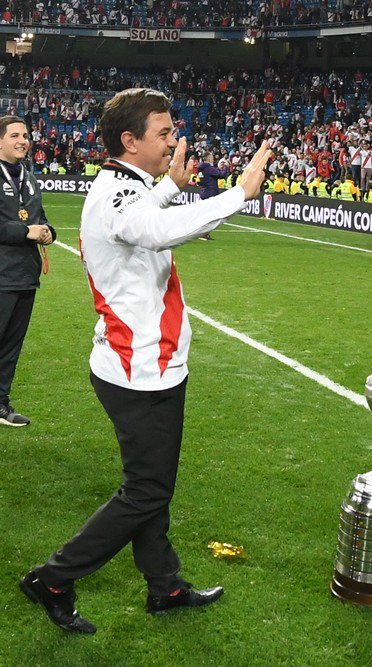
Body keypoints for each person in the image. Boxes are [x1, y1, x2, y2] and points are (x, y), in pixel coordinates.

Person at [19, 88, 272, 634]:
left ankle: (165, 585)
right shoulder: (115, 196)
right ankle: (54, 578)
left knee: (151, 486)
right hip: (139, 368)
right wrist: (239, 194)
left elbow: (143, 212)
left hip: (144, 362)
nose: (173, 140)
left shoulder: (123, 186)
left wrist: (169, 186)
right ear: (129, 141)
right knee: (145, 492)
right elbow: (152, 229)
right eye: (163, 132)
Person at [0, 115, 55, 427]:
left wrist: (48, 231)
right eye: (15, 135)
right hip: (1, 274)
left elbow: (40, 217)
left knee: (10, 348)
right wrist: (25, 232)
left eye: (26, 135)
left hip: (25, 275)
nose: (23, 140)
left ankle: (1, 404)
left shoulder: (30, 177)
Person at [196, 153, 229, 240]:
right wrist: (226, 168)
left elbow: (201, 180)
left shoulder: (200, 168)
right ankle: (203, 232)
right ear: (209, 158)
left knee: (207, 214)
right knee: (211, 215)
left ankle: (204, 232)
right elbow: (221, 175)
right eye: (212, 157)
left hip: (204, 192)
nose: (213, 158)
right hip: (211, 193)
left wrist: (219, 169)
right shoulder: (208, 168)